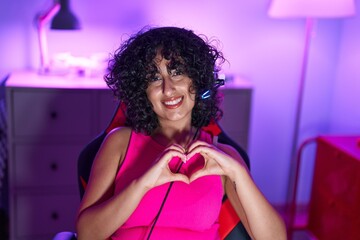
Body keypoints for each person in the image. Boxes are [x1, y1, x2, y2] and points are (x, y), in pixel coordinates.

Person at [76, 26, 286, 240]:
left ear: (197, 79)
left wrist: (238, 173)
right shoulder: (119, 142)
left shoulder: (222, 156)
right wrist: (143, 184)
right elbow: (86, 234)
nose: (168, 89)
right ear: (142, 91)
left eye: (177, 73)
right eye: (154, 78)